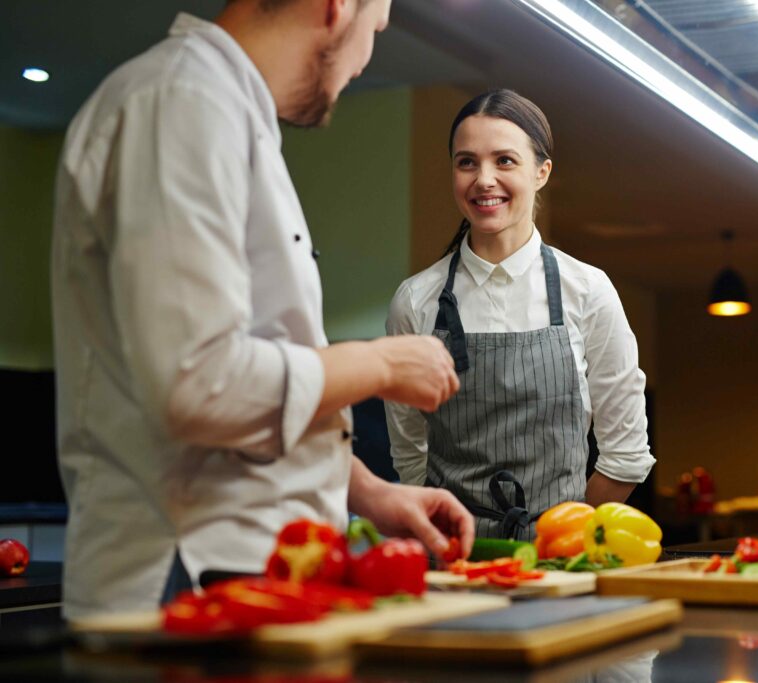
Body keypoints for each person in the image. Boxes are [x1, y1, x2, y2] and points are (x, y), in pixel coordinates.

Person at [50, 0, 472, 619]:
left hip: (244, 564)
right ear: (336, 8)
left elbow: (251, 393)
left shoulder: (223, 110)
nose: (364, 59)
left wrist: (370, 492)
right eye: (374, 30)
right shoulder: (183, 102)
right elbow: (199, 383)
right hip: (185, 572)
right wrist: (379, 363)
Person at [385, 90, 654, 540]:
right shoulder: (416, 301)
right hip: (451, 561)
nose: (483, 179)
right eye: (466, 162)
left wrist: (564, 537)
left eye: (505, 161)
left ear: (542, 172)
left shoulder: (588, 292)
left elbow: (626, 455)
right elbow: (410, 454)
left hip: (560, 562)